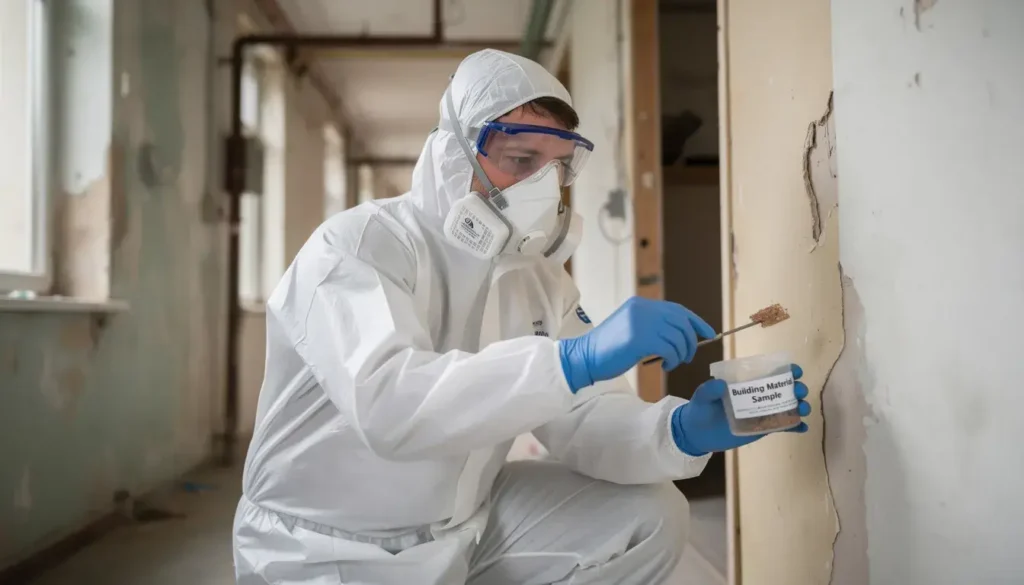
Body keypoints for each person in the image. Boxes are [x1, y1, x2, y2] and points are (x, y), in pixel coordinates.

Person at [232, 48, 811, 585]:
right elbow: (390, 407)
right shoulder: (356, 248)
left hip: (465, 526)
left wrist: (676, 430)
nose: (543, 186)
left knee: (648, 514)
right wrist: (571, 360)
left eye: (558, 166)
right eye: (521, 159)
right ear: (455, 156)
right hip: (324, 549)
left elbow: (585, 418)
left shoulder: (537, 277)